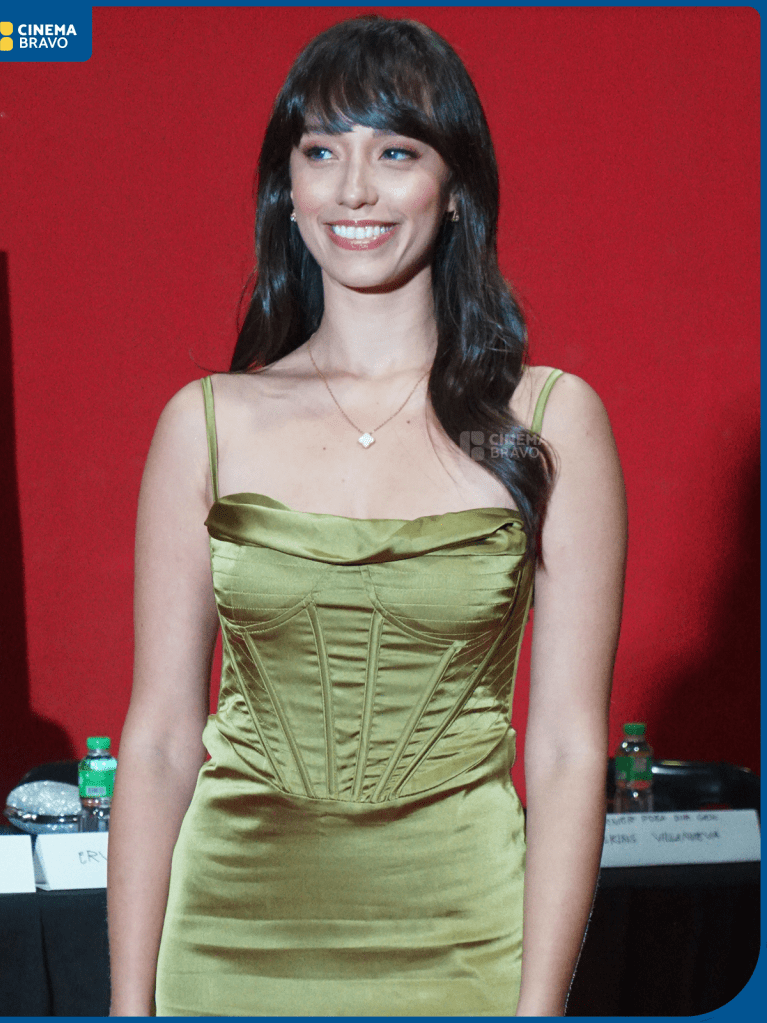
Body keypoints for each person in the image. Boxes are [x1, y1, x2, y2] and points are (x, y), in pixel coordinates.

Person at [107, 15, 626, 1018]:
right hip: (225, 940)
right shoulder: (205, 423)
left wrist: (539, 1007)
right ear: (286, 188)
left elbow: (567, 746)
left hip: (465, 940)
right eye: (320, 153)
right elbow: (162, 736)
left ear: (455, 185)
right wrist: (130, 1006)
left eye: (395, 152)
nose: (352, 190)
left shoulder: (549, 420)